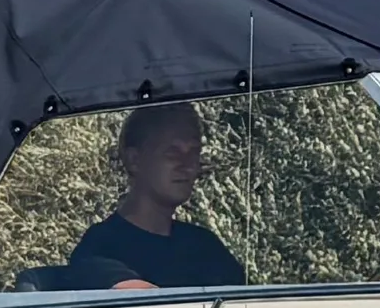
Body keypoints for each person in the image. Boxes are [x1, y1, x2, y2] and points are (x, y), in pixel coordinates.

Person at [45, 101, 248, 291]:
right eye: (172, 152)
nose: (187, 165)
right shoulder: (101, 246)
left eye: (193, 152)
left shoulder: (205, 246)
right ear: (134, 160)